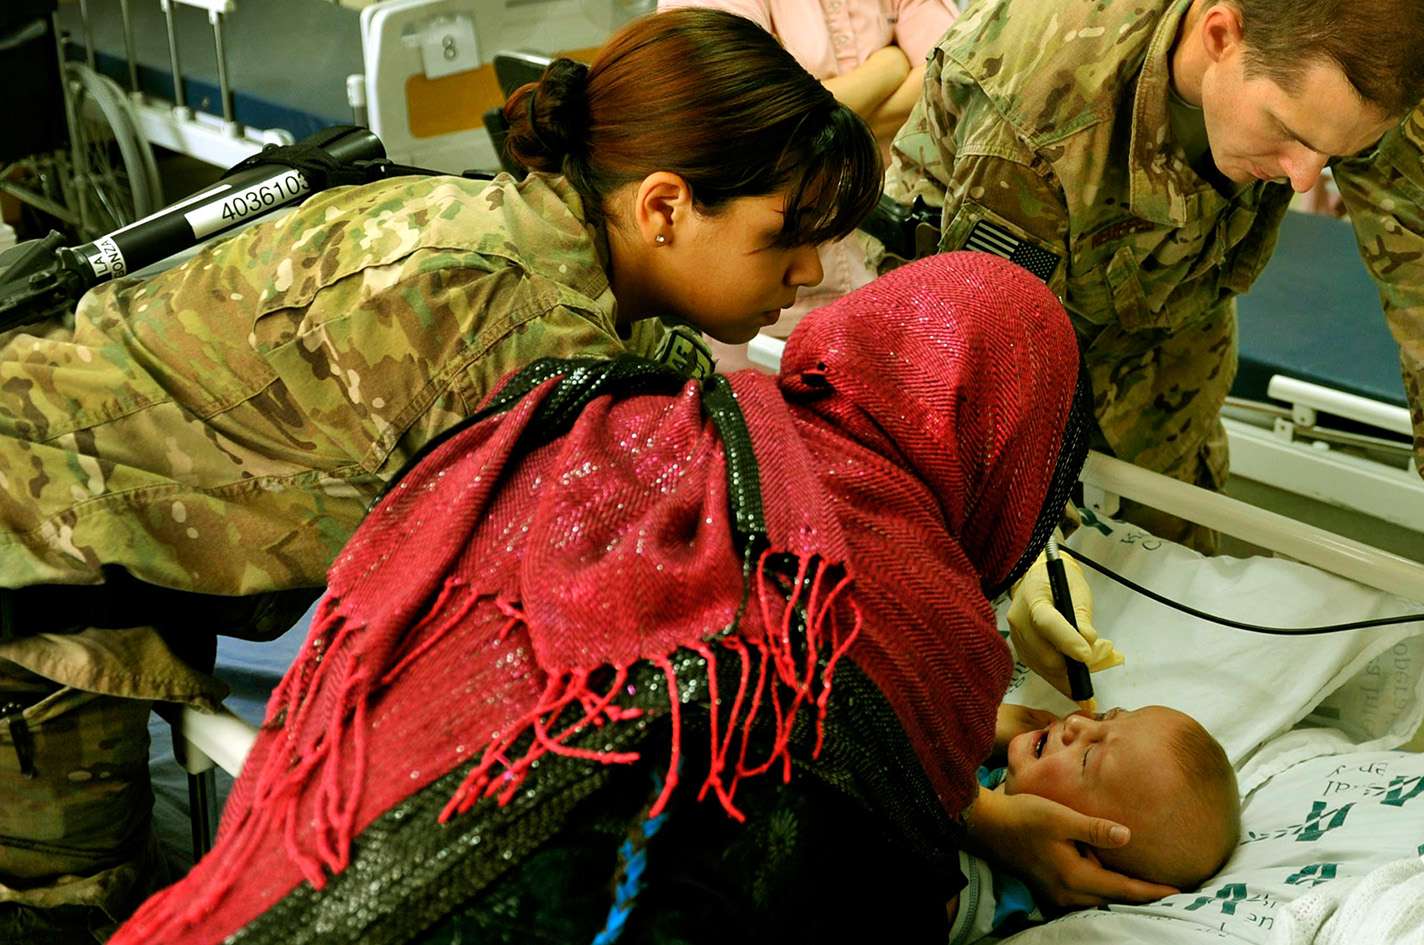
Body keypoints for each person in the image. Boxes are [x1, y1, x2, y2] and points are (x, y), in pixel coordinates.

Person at [0, 9, 880, 939]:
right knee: (78, 912)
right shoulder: (517, 333)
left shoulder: (550, 240)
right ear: (664, 207)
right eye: (789, 234)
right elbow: (633, 615)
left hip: (96, 471)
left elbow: (684, 403)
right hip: (38, 519)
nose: (813, 267)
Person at [107, 252, 1131, 944]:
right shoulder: (934, 617)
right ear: (1005, 448)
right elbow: (868, 849)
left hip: (350, 797)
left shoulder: (658, 408)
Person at [879, 0, 1424, 691]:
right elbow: (973, 346)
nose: (1306, 177)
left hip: (1171, 327)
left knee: (1172, 587)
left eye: (1335, 155)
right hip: (963, 320)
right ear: (1221, 33)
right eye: (1285, 130)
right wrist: (1023, 544)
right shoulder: (1039, 101)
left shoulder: (1365, 51)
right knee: (979, 622)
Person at [656, 0, 960, 370]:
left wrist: (814, 119)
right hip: (767, 314)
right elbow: (743, 120)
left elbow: (949, 88)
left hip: (896, 286)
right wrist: (889, 66)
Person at [950, 704, 1241, 942]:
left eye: (1088, 757)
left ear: (1080, 854)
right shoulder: (1010, 771)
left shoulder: (982, 894)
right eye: (1106, 717)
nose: (1077, 721)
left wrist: (960, 721)